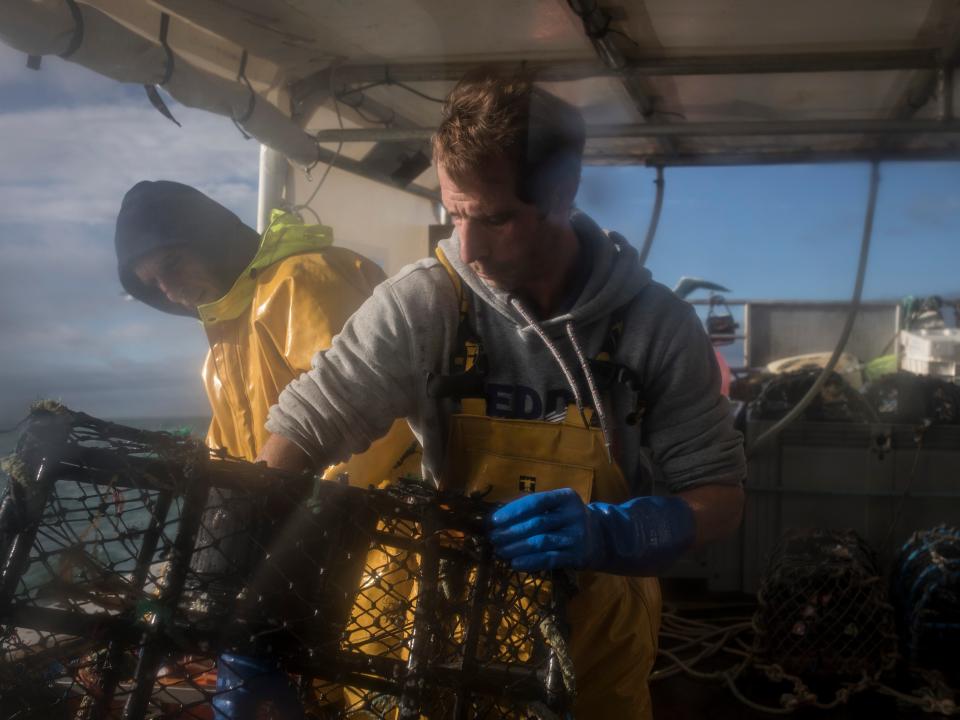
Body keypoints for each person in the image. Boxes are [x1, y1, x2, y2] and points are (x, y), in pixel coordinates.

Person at [258, 70, 746, 719]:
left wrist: (617, 533)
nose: (467, 244)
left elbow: (720, 498)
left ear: (563, 193)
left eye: (496, 218)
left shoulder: (655, 326)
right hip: (442, 628)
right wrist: (252, 618)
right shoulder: (425, 303)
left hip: (595, 637)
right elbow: (304, 428)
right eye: (453, 212)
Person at [114, 180, 416, 719]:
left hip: (383, 533)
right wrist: (195, 583)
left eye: (173, 264)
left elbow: (371, 434)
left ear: (211, 238)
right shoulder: (219, 348)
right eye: (152, 283)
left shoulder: (303, 281)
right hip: (303, 552)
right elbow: (226, 469)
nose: (168, 289)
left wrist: (267, 568)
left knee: (377, 686)